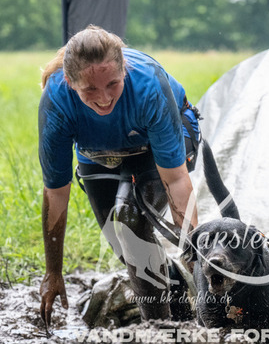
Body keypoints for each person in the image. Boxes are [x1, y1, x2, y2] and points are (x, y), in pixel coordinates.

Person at [38, 25, 199, 326]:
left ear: (124, 69)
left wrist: (192, 251)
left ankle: (158, 329)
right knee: (125, 245)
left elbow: (176, 180)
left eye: (113, 84)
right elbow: (56, 193)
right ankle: (177, 294)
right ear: (70, 82)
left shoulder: (148, 85)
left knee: (129, 223)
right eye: (90, 90)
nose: (103, 98)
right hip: (99, 153)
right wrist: (53, 272)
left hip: (156, 145)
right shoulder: (57, 102)